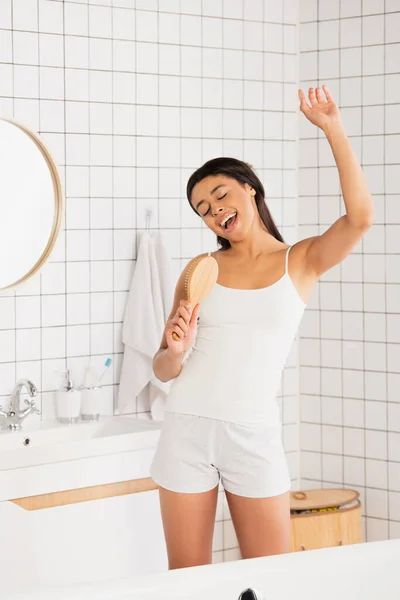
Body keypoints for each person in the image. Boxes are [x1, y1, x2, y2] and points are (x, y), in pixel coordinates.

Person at [150, 85, 374, 569]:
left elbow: (360, 218)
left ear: (248, 187)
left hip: (253, 434)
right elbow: (165, 370)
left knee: (272, 577)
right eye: (203, 209)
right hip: (186, 427)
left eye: (219, 194)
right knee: (186, 580)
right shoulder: (201, 268)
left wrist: (333, 128)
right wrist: (174, 349)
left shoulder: (301, 261)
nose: (214, 210)